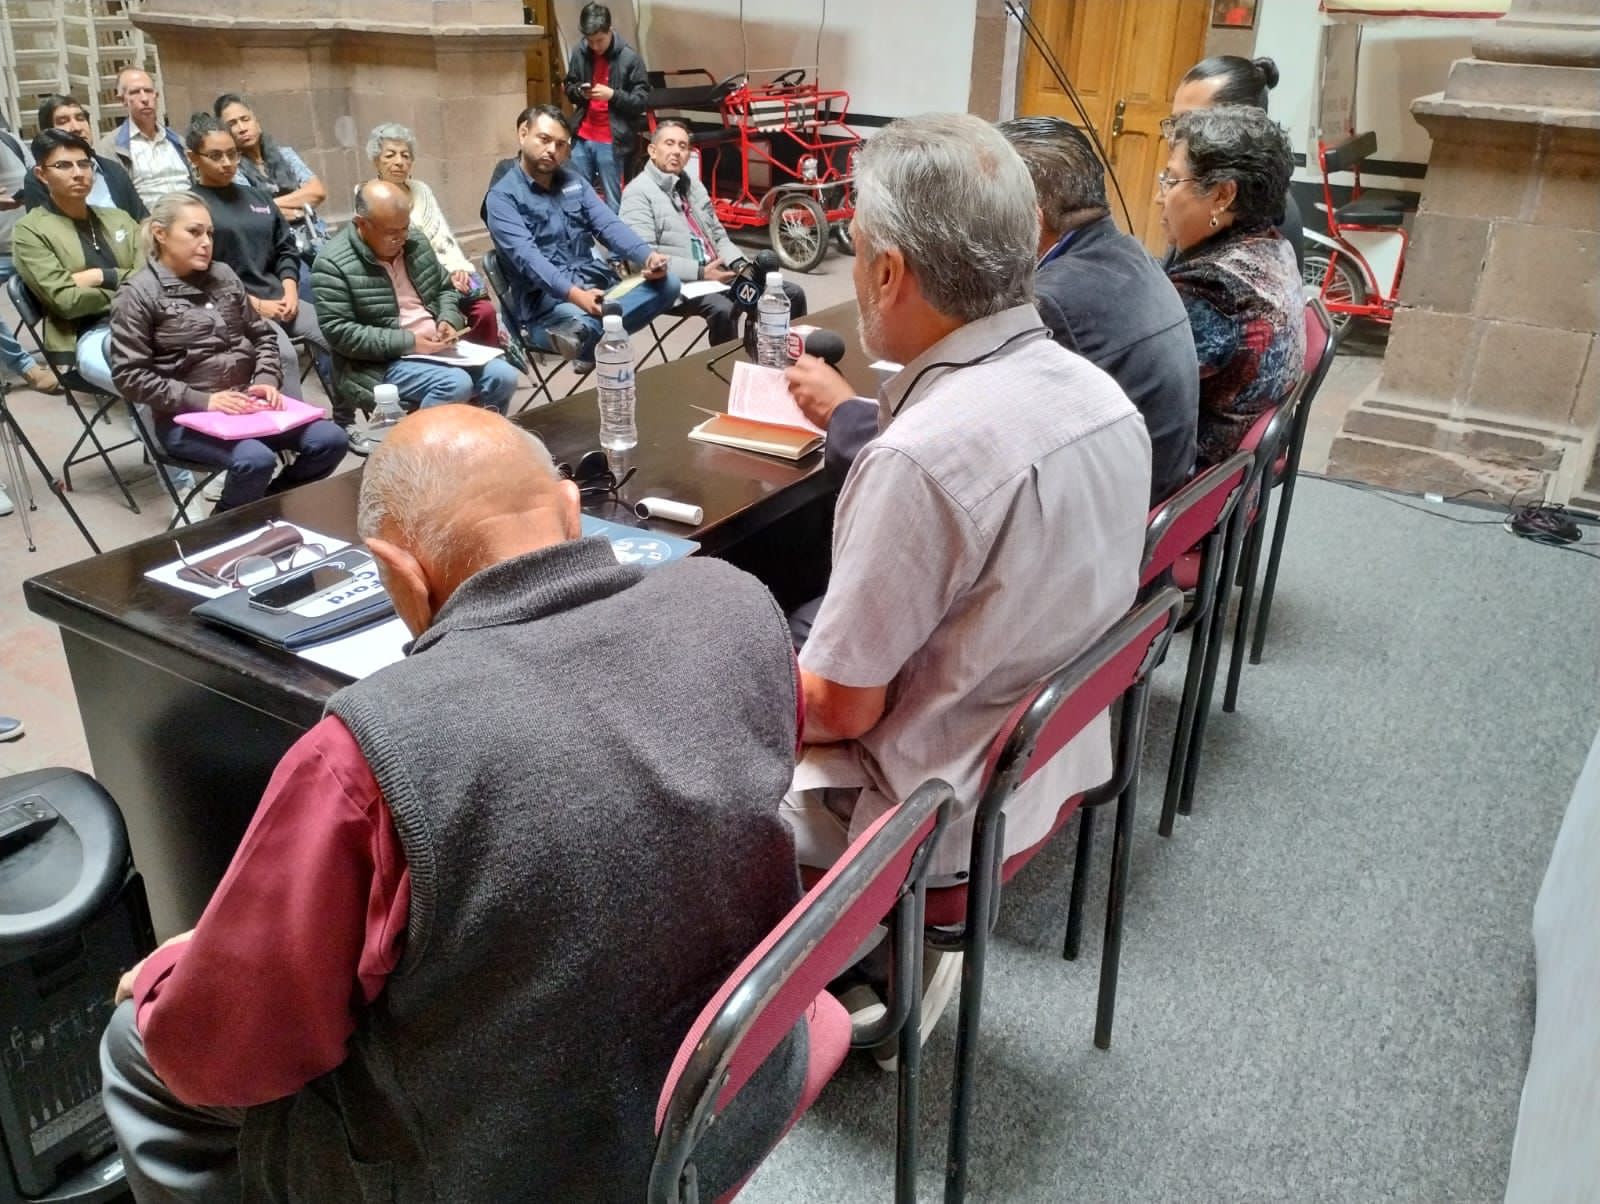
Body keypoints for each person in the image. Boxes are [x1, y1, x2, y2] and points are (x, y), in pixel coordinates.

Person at [98, 404, 807, 1202]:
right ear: (571, 510)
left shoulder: (363, 754)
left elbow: (221, 1058)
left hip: (529, 1172)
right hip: (738, 1083)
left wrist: (179, 973)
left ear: (396, 570)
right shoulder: (736, 602)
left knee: (138, 1049)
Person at [780, 114, 1152, 1040]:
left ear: (888, 273)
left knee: (660, 764)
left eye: (856, 247)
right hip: (1042, 767)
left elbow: (838, 708)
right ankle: (866, 961)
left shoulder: (919, 458)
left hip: (931, 822)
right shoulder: (1101, 398)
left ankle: (805, 984)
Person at [998, 116, 1197, 502]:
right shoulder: (1131, 251)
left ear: (1028, 218)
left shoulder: (1050, 301)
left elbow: (999, 444)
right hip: (1163, 491)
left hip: (1118, 516)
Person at [109, 192, 345, 513]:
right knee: (255, 459)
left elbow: (263, 335)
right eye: (194, 232)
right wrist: (204, 400)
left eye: (209, 233)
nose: (206, 242)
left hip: (245, 405)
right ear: (160, 234)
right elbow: (130, 377)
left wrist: (265, 379)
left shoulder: (223, 275)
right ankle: (225, 525)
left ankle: (269, 506)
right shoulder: (136, 294)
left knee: (331, 439)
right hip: (184, 417)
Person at [313, 181, 518, 448]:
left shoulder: (415, 241)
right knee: (454, 384)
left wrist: (448, 319)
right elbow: (340, 333)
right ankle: (419, 453)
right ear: (361, 224)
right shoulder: (332, 263)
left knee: (503, 376)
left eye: (405, 227)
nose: (402, 238)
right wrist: (410, 342)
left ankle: (482, 446)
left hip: (436, 347)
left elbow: (444, 289)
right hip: (379, 363)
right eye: (391, 232)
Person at [1162, 106, 1305, 469]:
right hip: (1240, 473)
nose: (1159, 196)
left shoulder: (1213, 290)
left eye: (1172, 180)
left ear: (1223, 196)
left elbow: (1133, 391)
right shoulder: (1273, 246)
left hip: (1196, 482)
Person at [484, 105, 679, 371]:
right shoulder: (502, 198)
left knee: (668, 284)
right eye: (544, 139)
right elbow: (529, 260)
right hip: (548, 307)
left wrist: (648, 257)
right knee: (588, 317)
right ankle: (585, 333)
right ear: (523, 133)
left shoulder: (574, 182)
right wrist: (577, 296)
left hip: (597, 289)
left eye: (560, 144)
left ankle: (585, 336)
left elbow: (608, 225)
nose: (552, 150)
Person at [619, 118, 808, 347]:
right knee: (724, 309)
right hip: (675, 284)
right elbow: (643, 258)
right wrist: (701, 272)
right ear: (652, 150)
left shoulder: (693, 186)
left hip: (719, 273)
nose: (676, 151)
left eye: (683, 146)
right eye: (669, 143)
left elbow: (718, 235)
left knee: (791, 294)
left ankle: (787, 356)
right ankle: (727, 368)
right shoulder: (637, 193)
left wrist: (740, 265)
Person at [184, 114, 332, 394]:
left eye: (232, 154)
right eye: (215, 156)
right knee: (282, 356)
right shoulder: (191, 207)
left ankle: (346, 415)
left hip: (280, 298)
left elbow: (285, 248)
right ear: (193, 158)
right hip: (232, 307)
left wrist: (290, 290)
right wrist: (254, 305)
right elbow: (199, 273)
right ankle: (294, 422)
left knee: (336, 335)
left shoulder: (258, 198)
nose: (227, 163)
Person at [11, 129, 139, 396]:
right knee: (148, 382)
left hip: (145, 321)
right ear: (41, 175)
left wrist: (102, 276)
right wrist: (133, 288)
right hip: (86, 335)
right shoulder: (30, 231)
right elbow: (66, 301)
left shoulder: (118, 219)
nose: (79, 173)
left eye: (84, 164)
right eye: (63, 166)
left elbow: (155, 275)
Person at [366, 122, 502, 350]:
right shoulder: (367, 195)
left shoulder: (421, 189)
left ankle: (484, 363)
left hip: (445, 273)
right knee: (440, 315)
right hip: (408, 283)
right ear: (376, 161)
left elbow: (442, 236)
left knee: (484, 311)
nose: (399, 162)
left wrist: (457, 268)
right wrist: (443, 278)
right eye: (390, 155)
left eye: (405, 155)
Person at [1168, 55, 1303, 270]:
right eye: (1174, 123)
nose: (1174, 137)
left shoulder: (1265, 218)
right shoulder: (1198, 191)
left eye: (1189, 122)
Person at [213, 92, 328, 269]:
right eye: (232, 124)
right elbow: (252, 213)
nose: (242, 128)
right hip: (274, 249)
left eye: (245, 119)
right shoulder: (232, 169)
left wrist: (268, 206)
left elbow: (317, 191)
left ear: (256, 122)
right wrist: (301, 211)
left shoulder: (286, 154)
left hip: (313, 236)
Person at [563, 2, 651, 209]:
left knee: (613, 199)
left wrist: (612, 95)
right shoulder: (580, 52)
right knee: (576, 194)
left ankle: (613, 229)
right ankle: (581, 229)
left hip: (612, 139)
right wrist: (579, 92)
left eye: (599, 40)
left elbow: (641, 101)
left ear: (610, 30)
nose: (595, 46)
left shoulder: (630, 58)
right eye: (590, 40)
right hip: (582, 134)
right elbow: (569, 85)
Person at [0, 116, 62, 393]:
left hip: (32, 247)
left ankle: (75, 353)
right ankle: (26, 367)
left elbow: (36, 181)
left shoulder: (10, 139)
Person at [23, 96, 146, 220]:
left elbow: (141, 217)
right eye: (63, 121)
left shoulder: (112, 169)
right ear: (49, 133)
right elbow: (44, 227)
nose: (76, 128)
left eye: (80, 119)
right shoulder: (39, 178)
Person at [97, 67, 191, 211]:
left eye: (148, 91)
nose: (144, 99)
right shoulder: (110, 147)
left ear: (156, 95)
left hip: (191, 216)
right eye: (135, 92)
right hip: (147, 221)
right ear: (122, 100)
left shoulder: (177, 141)